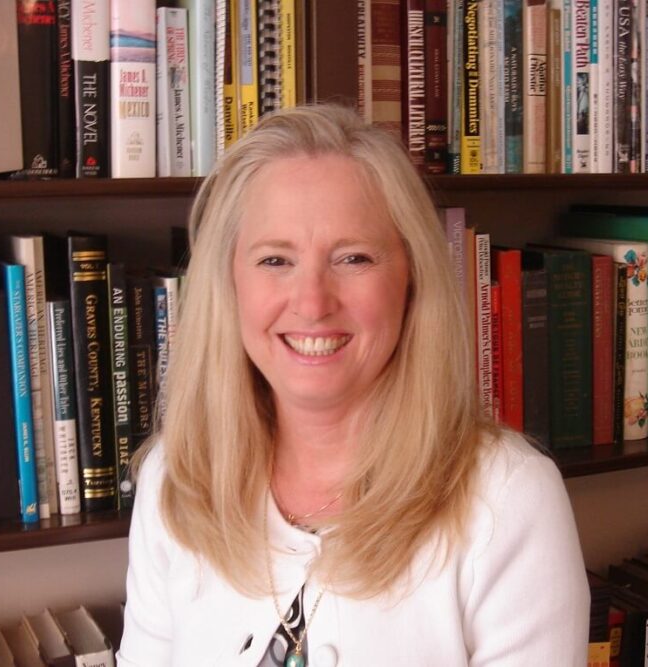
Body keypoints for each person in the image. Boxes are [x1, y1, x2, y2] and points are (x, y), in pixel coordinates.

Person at [117, 104, 590, 666]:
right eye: (275, 259)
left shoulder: (508, 498)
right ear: (228, 285)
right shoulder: (175, 478)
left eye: (354, 258)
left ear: (411, 281)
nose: (313, 302)